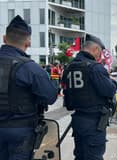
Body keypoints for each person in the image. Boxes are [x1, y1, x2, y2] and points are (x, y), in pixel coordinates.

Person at [0, 15, 57, 160]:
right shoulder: (31, 68)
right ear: (28, 42)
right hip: (20, 131)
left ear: (4, 39)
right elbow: (50, 97)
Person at [62, 34, 117, 160]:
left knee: (80, 156)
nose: (100, 56)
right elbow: (109, 91)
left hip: (78, 119)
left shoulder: (69, 67)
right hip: (94, 121)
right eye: (100, 52)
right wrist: (113, 82)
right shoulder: (94, 68)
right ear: (96, 49)